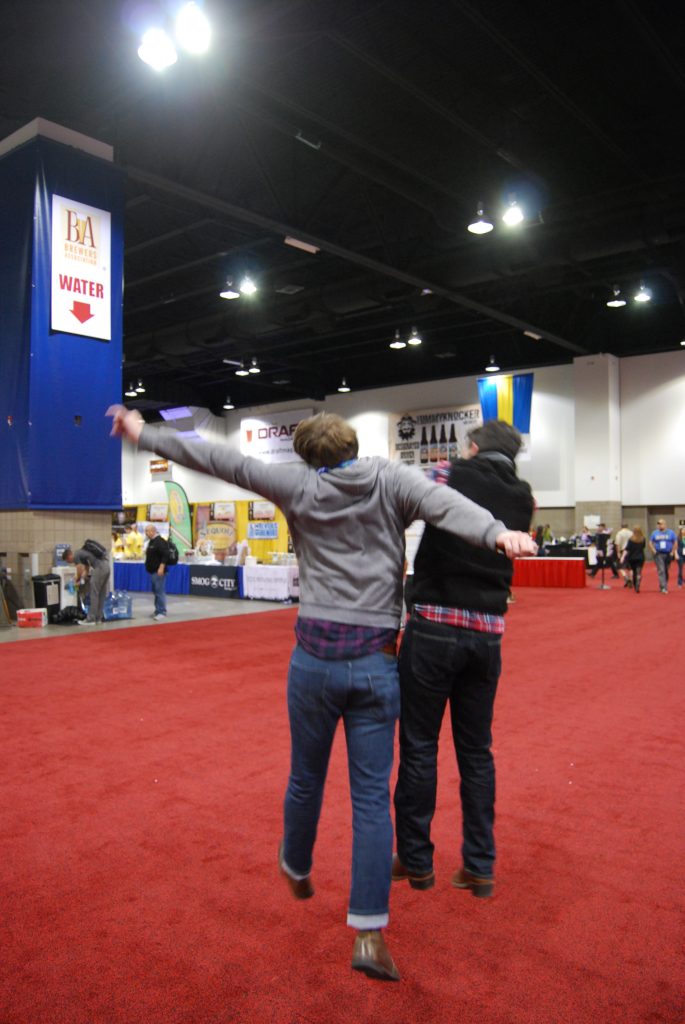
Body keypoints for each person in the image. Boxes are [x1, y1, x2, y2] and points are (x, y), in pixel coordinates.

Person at [107, 405, 536, 982]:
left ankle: (297, 863)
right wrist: (496, 533)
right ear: (353, 447)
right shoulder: (389, 478)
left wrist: (143, 434)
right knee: (368, 799)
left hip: (313, 660)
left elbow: (219, 458)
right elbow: (449, 507)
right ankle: (368, 933)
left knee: (305, 777)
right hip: (377, 665)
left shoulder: (296, 484)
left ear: (308, 456)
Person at [392, 420, 534, 900]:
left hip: (433, 627)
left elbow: (404, 507)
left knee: (419, 745)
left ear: (473, 448)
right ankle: (479, 865)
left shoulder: (447, 474)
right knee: (477, 753)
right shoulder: (525, 496)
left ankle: (415, 859)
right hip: (487, 635)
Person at [62, 542, 110, 625]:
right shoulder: (83, 553)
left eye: (67, 561)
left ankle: (91, 619)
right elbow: (86, 570)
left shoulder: (76, 555)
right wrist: (80, 581)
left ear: (69, 556)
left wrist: (76, 582)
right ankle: (98, 618)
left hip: (99, 568)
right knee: (101, 594)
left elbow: (79, 570)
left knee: (94, 594)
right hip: (107, 567)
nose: (69, 562)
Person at [145, 524, 169, 620]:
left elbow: (165, 554)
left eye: (148, 531)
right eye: (146, 531)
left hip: (158, 571)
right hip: (153, 571)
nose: (146, 533)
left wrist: (161, 567)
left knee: (160, 591)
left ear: (153, 531)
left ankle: (162, 611)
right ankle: (157, 610)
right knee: (156, 591)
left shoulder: (160, 541)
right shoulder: (151, 542)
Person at [649, 518, 676, 593]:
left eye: (661, 524)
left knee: (666, 570)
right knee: (661, 570)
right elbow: (650, 542)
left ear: (665, 524)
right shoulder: (654, 533)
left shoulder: (671, 533)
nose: (659, 525)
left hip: (668, 553)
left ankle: (664, 584)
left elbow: (675, 542)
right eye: (658, 524)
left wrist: (673, 552)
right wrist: (653, 550)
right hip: (658, 554)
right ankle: (663, 587)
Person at [622, 526, 646, 593]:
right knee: (639, 570)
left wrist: (623, 557)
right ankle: (639, 577)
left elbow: (627, 549)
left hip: (632, 557)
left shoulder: (631, 539)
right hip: (640, 557)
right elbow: (643, 547)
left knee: (634, 572)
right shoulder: (643, 539)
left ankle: (635, 585)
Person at [614, 523, 633, 587]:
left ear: (621, 527)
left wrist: (618, 552)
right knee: (630, 567)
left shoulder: (619, 533)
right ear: (627, 526)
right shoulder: (631, 533)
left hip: (623, 551)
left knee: (620, 566)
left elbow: (617, 544)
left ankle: (626, 577)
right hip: (631, 551)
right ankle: (631, 579)